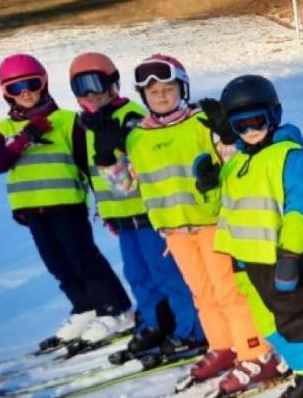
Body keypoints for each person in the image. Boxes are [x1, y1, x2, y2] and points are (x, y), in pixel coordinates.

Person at [92, 53, 282, 385]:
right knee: (201, 294)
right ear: (143, 97)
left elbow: (236, 166)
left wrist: (225, 136)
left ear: (182, 88)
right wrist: (107, 156)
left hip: (212, 224)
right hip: (173, 232)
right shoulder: (137, 136)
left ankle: (254, 351)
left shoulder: (200, 123)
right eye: (153, 92)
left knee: (229, 292)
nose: (161, 96)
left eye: (168, 88)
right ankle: (222, 345)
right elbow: (126, 185)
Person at [200, 74, 303, 398]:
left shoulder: (290, 156)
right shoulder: (236, 163)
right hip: (249, 267)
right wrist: (209, 186)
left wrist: (291, 254)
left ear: (275, 115)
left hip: (285, 263)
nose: (251, 130)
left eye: (258, 120)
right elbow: (226, 209)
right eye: (241, 124)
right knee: (273, 329)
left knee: (302, 327)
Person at [0, 53, 132, 348]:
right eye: (16, 88)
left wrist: (104, 201)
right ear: (5, 93)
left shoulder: (66, 121)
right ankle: (85, 307)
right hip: (32, 210)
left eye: (32, 84)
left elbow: (87, 164)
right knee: (57, 263)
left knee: (83, 258)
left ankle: (115, 310)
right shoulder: (5, 130)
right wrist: (25, 138)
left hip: (67, 205)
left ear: (44, 84)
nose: (25, 92)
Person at [69, 52, 203, 357]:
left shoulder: (131, 116)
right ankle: (155, 322)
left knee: (166, 273)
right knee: (137, 275)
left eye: (97, 83)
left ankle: (191, 326)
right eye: (81, 87)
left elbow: (143, 163)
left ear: (113, 82)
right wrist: (104, 208)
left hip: (146, 211)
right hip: (120, 213)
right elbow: (98, 173)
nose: (91, 93)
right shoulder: (86, 123)